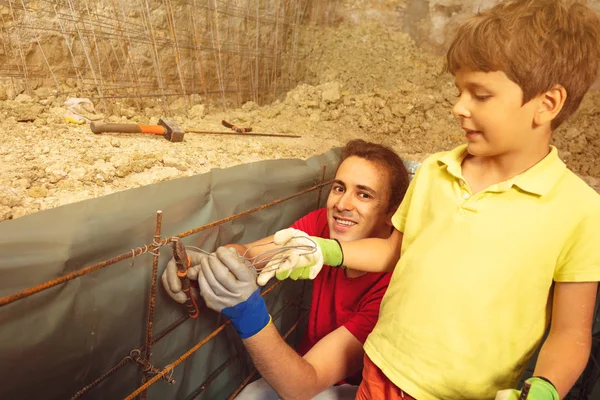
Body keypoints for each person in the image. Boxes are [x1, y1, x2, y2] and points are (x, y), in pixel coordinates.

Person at [259, 1, 600, 399]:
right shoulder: (436, 171)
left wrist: (544, 388)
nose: (458, 107)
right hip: (381, 368)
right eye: (460, 92)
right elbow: (392, 252)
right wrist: (324, 251)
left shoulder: (579, 210)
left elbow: (571, 333)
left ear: (547, 103)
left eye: (481, 95)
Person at [162, 139, 410, 399]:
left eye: (364, 194)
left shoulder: (391, 288)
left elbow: (303, 386)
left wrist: (248, 313)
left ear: (392, 213)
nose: (342, 204)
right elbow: (251, 253)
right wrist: (212, 261)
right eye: (339, 188)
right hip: (307, 373)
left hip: (359, 390)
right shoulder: (322, 231)